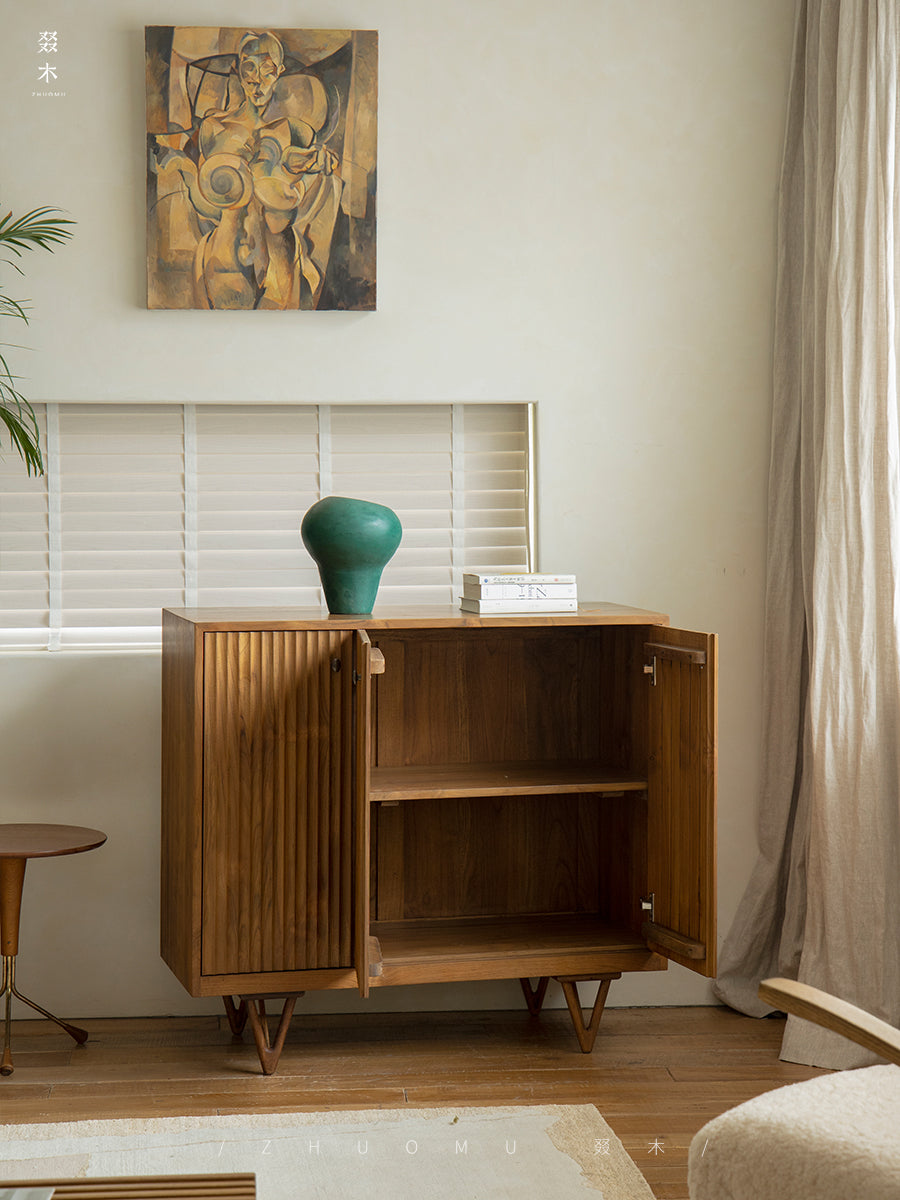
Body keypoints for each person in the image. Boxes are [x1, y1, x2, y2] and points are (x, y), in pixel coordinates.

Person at [190, 31, 339, 309]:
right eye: (249, 70)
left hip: (277, 251)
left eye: (268, 72)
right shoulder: (214, 128)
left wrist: (315, 165)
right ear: (237, 69)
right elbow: (203, 201)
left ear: (280, 72)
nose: (258, 82)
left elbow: (308, 178)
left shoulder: (293, 130)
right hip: (226, 253)